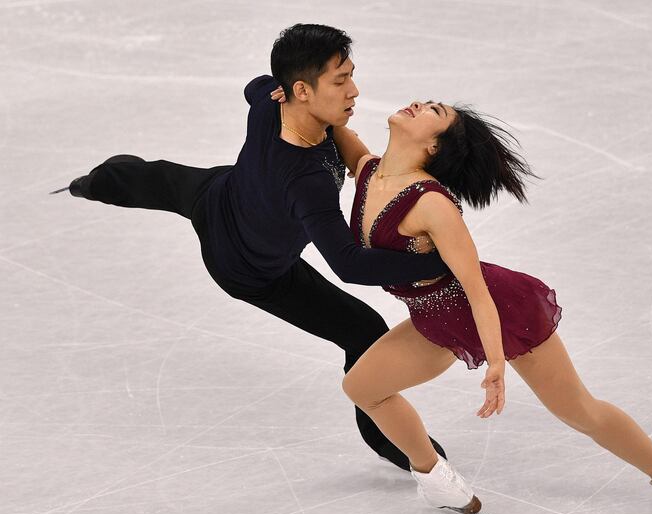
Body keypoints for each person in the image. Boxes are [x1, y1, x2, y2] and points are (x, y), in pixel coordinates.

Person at [321, 98, 652, 514]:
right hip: (434, 319)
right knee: (362, 388)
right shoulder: (369, 171)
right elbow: (336, 127)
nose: (418, 104)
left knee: (578, 410)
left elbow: (477, 290)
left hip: (501, 311)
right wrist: (289, 90)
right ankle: (434, 477)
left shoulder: (432, 204)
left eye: (433, 111)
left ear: (434, 146)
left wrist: (495, 363)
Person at [49, 24, 451, 472]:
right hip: (247, 267)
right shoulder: (306, 183)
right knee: (365, 328)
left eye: (350, 75)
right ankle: (89, 184)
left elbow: (254, 85)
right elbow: (349, 264)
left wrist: (280, 94)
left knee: (160, 178)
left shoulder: (270, 103)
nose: (354, 90)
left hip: (225, 190)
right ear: (301, 89)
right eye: (340, 81)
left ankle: (96, 182)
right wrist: (437, 259)